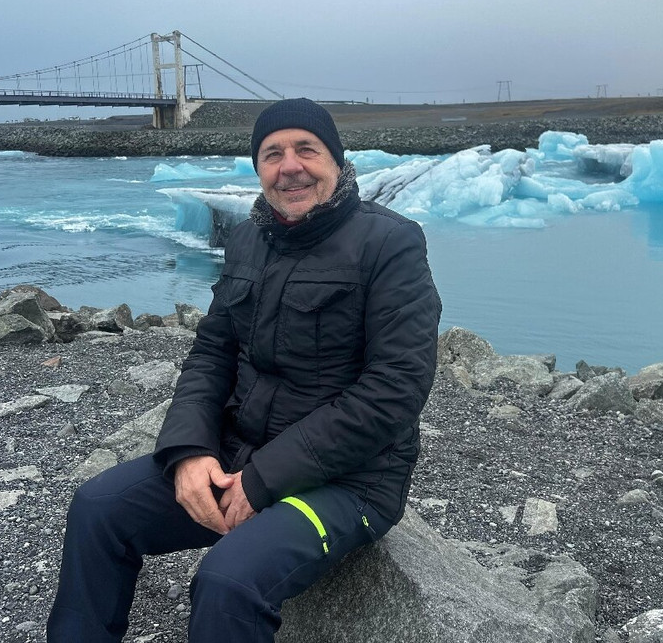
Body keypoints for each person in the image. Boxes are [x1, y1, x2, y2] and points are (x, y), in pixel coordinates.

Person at [47, 98, 442, 642]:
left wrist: (262, 481)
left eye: (307, 149)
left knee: (230, 580)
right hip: (239, 453)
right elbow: (211, 353)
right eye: (272, 154)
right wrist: (189, 453)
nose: (290, 166)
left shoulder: (390, 243)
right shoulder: (250, 239)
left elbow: (395, 389)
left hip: (351, 482)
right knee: (99, 508)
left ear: (337, 161)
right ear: (258, 169)